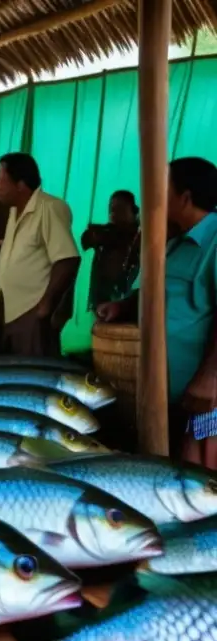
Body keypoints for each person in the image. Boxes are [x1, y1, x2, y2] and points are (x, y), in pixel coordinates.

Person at [98, 158, 217, 466]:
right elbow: (151, 293)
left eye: (162, 186)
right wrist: (123, 305)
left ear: (185, 197)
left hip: (204, 396)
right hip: (166, 393)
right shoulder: (174, 241)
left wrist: (211, 377)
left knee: (201, 478)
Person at [0, 152, 80, 356]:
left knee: (33, 374)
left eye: (1, 179)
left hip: (32, 311)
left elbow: (67, 259)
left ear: (21, 185)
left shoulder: (50, 207)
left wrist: (45, 305)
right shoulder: (15, 211)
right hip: (13, 311)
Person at [82, 190, 141, 310]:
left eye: (120, 209)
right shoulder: (106, 233)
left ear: (133, 211)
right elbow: (86, 241)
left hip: (127, 301)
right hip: (102, 298)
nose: (114, 213)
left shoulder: (139, 236)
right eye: (111, 209)